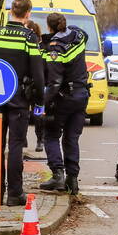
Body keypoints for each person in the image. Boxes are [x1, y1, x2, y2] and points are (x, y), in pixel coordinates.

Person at [0, 0, 44, 206]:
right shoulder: (29, 37)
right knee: (15, 145)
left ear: (10, 12)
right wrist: (39, 101)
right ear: (27, 14)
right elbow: (37, 72)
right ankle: (14, 194)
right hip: (19, 99)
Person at [39, 12, 89, 195]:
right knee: (71, 138)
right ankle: (72, 179)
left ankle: (57, 175)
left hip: (64, 97)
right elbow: (82, 32)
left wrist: (43, 103)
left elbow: (54, 82)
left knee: (51, 135)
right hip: (82, 95)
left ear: (49, 26)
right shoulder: (78, 36)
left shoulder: (55, 48)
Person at [25, 19, 46, 153]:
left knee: (38, 114)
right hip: (26, 84)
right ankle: (23, 138)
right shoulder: (24, 44)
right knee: (24, 113)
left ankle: (40, 140)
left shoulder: (43, 46)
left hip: (39, 85)